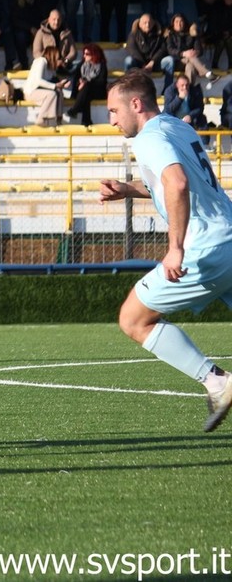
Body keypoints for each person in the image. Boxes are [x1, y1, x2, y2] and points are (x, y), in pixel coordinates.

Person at [100, 70, 232, 432]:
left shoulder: (148, 139)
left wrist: (175, 248)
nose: (111, 120)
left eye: (114, 111)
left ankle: (217, 382)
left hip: (206, 248)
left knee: (133, 319)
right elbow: (173, 181)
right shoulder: (177, 126)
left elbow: (177, 182)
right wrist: (129, 189)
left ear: (136, 104)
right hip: (229, 235)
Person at [161, 13, 214, 92]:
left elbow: (199, 50)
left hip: (191, 62)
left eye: (181, 21)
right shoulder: (170, 35)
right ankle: (207, 73)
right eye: (176, 22)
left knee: (190, 67)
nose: (179, 24)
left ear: (185, 23)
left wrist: (194, 53)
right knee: (190, 57)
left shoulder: (191, 34)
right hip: (176, 62)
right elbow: (170, 50)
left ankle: (187, 91)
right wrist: (183, 53)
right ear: (173, 24)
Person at [64, 44, 107, 127]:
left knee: (86, 88)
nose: (84, 56)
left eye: (87, 54)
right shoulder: (82, 64)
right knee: (86, 95)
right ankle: (86, 121)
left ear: (94, 54)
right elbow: (75, 78)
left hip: (98, 91)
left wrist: (86, 82)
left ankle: (75, 110)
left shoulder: (101, 66)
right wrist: (80, 82)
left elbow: (101, 82)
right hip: (84, 91)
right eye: (84, 53)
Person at [23, 45, 67, 127]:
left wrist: (62, 84)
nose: (60, 61)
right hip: (31, 92)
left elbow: (53, 81)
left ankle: (59, 118)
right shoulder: (41, 61)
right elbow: (38, 81)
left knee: (59, 92)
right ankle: (41, 118)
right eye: (58, 58)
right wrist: (55, 85)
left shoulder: (51, 67)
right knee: (51, 94)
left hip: (40, 91)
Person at [161, 73, 208, 148]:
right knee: (163, 120)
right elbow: (168, 109)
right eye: (182, 85)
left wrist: (190, 116)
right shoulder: (169, 91)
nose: (185, 87)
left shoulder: (195, 90)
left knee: (202, 119)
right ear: (177, 85)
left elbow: (200, 107)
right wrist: (179, 98)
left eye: (187, 85)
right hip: (173, 118)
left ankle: (205, 146)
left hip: (190, 119)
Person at [8, 0, 47, 70]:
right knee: (20, 36)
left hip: (38, 31)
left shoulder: (41, 3)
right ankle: (24, 64)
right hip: (24, 32)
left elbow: (45, 19)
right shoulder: (17, 4)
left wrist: (38, 30)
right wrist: (30, 28)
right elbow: (15, 21)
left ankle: (42, 65)